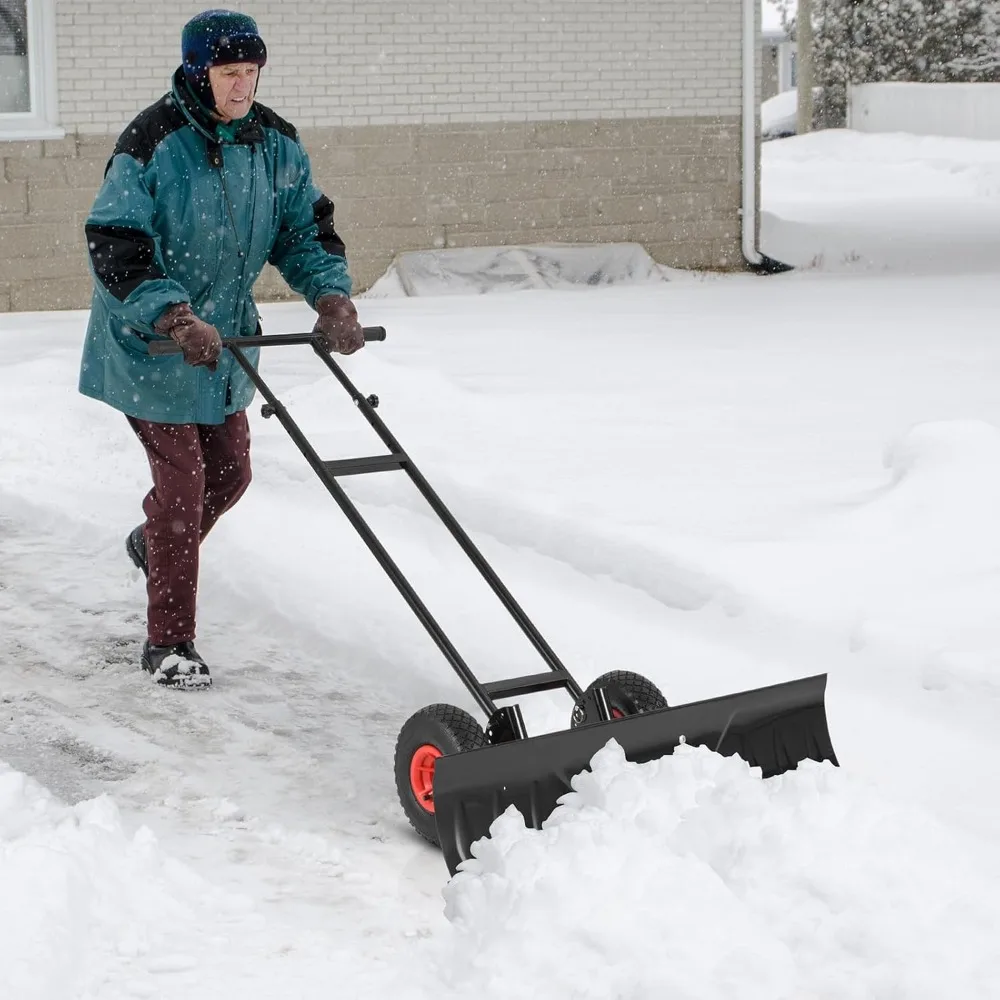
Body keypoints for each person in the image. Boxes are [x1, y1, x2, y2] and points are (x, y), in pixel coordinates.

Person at [79, 9, 364, 689]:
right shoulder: (152, 142)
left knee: (230, 474)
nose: (243, 87)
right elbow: (117, 242)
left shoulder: (276, 144)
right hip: (151, 347)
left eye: (251, 72)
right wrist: (174, 317)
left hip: (226, 344)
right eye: (229, 73)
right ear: (197, 72)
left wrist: (331, 297)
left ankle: (155, 548)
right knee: (182, 490)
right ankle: (169, 643)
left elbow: (305, 233)